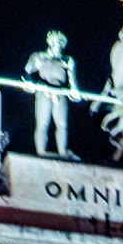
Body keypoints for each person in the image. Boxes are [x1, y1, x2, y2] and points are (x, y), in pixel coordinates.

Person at [23, 31, 80, 159]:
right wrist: (31, 83)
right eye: (56, 41)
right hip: (44, 91)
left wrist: (75, 91)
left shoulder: (67, 60)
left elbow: (73, 81)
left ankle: (62, 152)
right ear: (50, 42)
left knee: (62, 124)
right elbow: (27, 73)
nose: (58, 45)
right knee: (42, 122)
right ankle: (41, 151)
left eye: (61, 42)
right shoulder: (39, 57)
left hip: (60, 92)